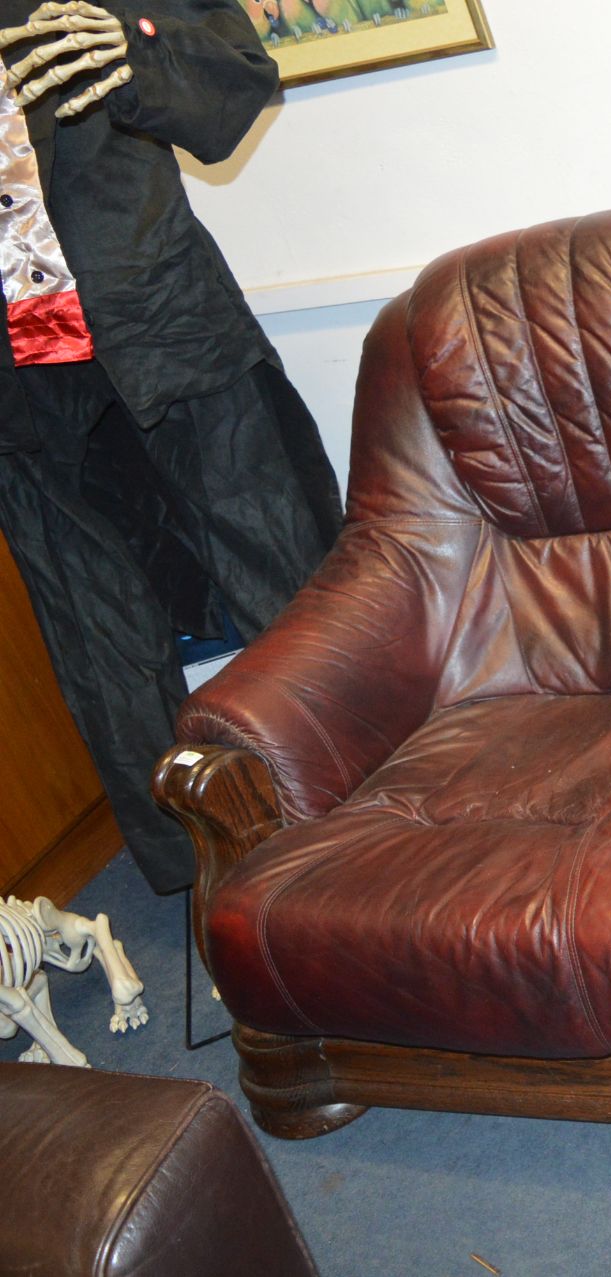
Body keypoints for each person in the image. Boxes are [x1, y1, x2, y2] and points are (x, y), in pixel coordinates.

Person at [0, 1, 342, 894]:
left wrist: (136, 46)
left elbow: (236, 84)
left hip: (156, 306)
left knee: (279, 559)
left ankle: (360, 796)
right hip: (17, 367)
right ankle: (194, 862)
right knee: (93, 613)